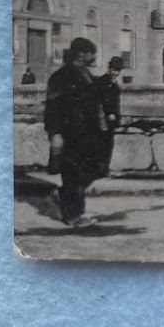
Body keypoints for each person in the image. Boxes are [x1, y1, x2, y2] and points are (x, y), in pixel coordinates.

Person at [44, 38, 105, 227]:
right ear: (81, 54)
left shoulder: (86, 73)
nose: (93, 57)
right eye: (91, 53)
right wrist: (55, 133)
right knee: (73, 174)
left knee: (90, 171)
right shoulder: (60, 77)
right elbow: (52, 107)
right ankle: (73, 215)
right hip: (69, 132)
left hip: (88, 134)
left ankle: (63, 198)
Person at [93, 56, 124, 178]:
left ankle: (104, 170)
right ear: (109, 69)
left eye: (118, 70)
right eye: (115, 69)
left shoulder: (112, 82)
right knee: (103, 145)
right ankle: (100, 171)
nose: (116, 73)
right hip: (103, 119)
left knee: (107, 144)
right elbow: (102, 100)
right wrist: (110, 113)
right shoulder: (103, 82)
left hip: (109, 119)